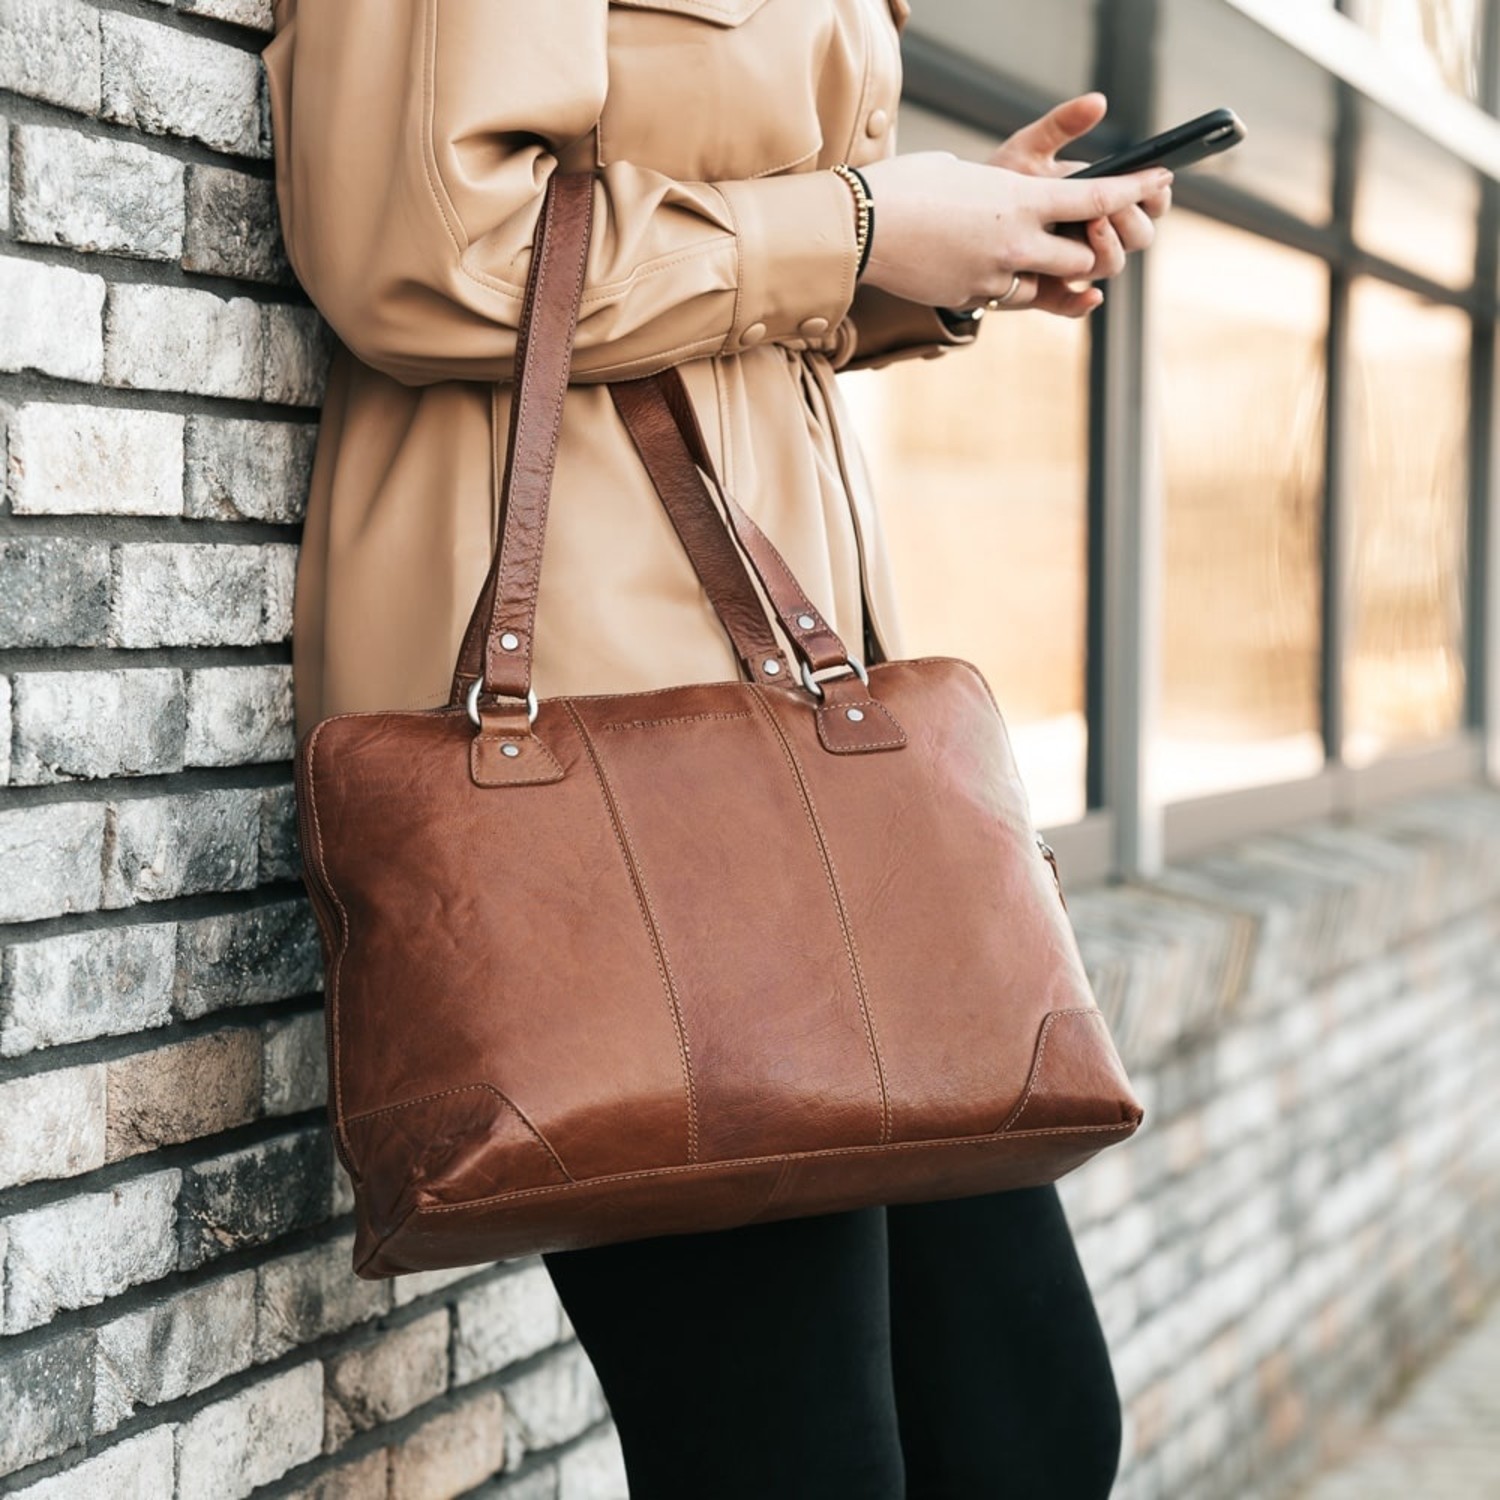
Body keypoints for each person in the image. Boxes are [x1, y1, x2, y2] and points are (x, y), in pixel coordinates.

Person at [263, 2, 1171, 1495]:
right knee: (796, 1462)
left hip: (800, 707)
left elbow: (738, 251)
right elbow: (417, 247)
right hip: (603, 710)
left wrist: (946, 248)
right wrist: (862, 230)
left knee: (1025, 1428)